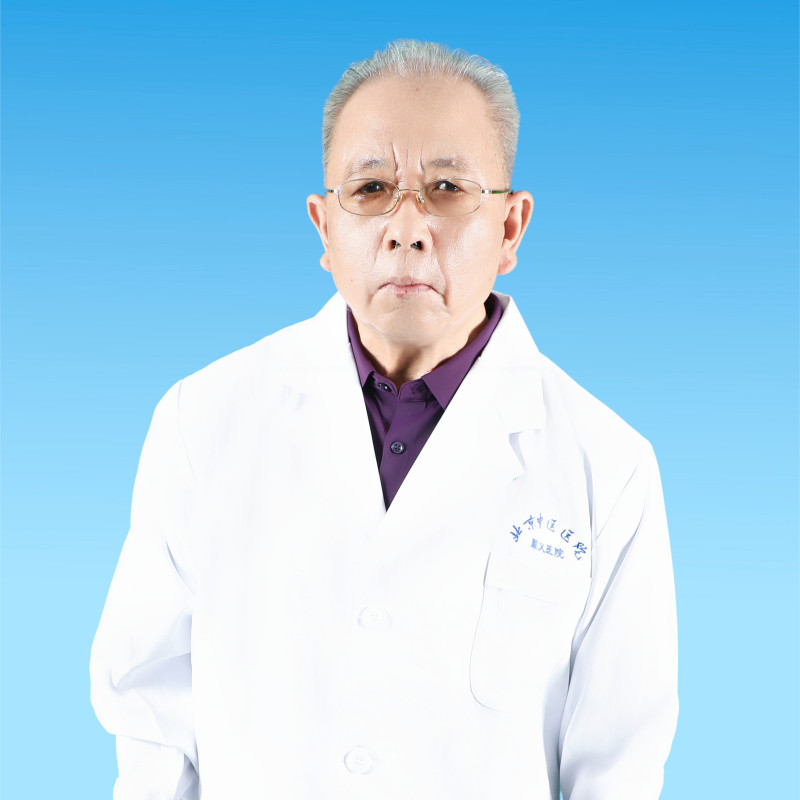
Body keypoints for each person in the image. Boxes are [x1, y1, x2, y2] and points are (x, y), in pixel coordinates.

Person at [90, 39, 678, 800]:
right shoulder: (202, 423)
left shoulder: (608, 466)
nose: (407, 227)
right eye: (370, 189)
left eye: (447, 188)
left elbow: (618, 766)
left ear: (510, 228)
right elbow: (151, 719)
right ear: (323, 228)